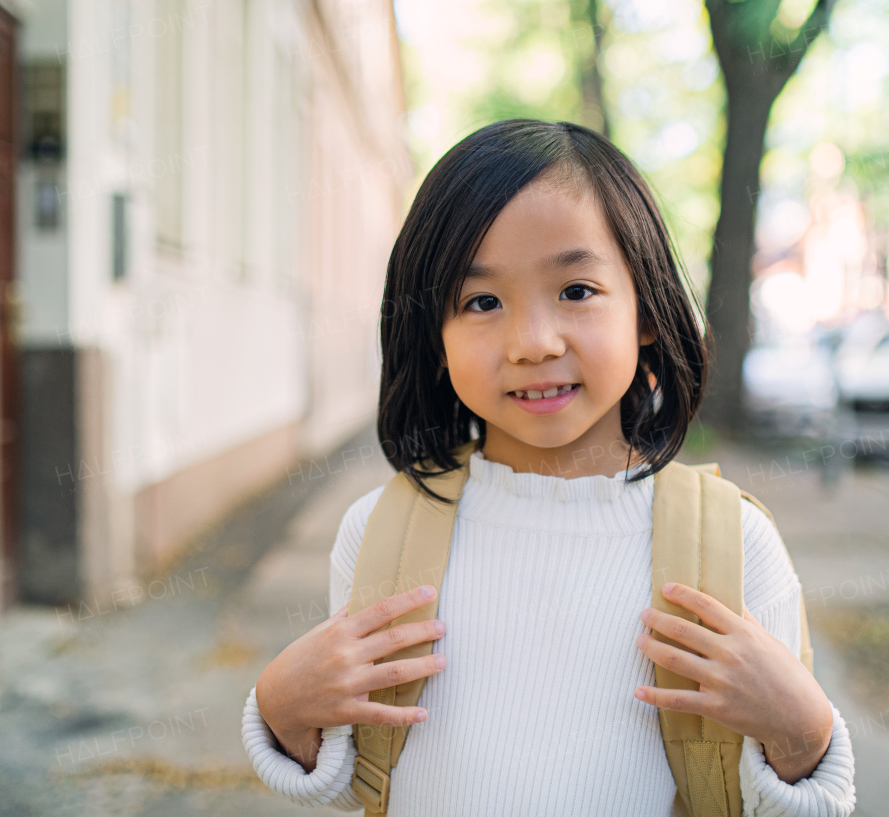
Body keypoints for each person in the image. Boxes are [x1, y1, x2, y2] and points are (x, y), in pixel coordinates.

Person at [242, 119, 856, 816]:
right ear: (434, 335)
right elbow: (361, 778)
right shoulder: (380, 533)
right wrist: (283, 713)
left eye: (576, 290)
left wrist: (806, 732)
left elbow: (785, 799)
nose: (533, 342)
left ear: (646, 307)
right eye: (481, 302)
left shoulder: (734, 546)